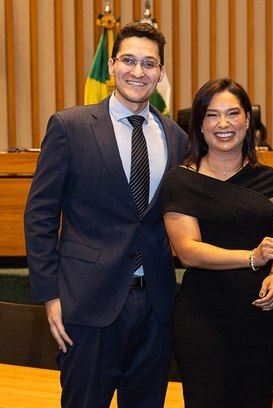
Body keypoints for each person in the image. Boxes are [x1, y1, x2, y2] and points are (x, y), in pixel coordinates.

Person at [23, 22, 187, 407]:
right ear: (112, 64)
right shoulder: (70, 126)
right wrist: (50, 296)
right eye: (128, 60)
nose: (138, 71)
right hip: (87, 304)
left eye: (149, 63)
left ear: (161, 72)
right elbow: (40, 216)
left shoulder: (177, 137)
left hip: (157, 308)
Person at [161, 78, 273, 407]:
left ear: (248, 120)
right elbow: (188, 251)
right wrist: (253, 257)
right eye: (212, 115)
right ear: (199, 125)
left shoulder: (271, 180)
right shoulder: (181, 180)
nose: (223, 124)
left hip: (260, 317)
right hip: (202, 317)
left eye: (233, 113)